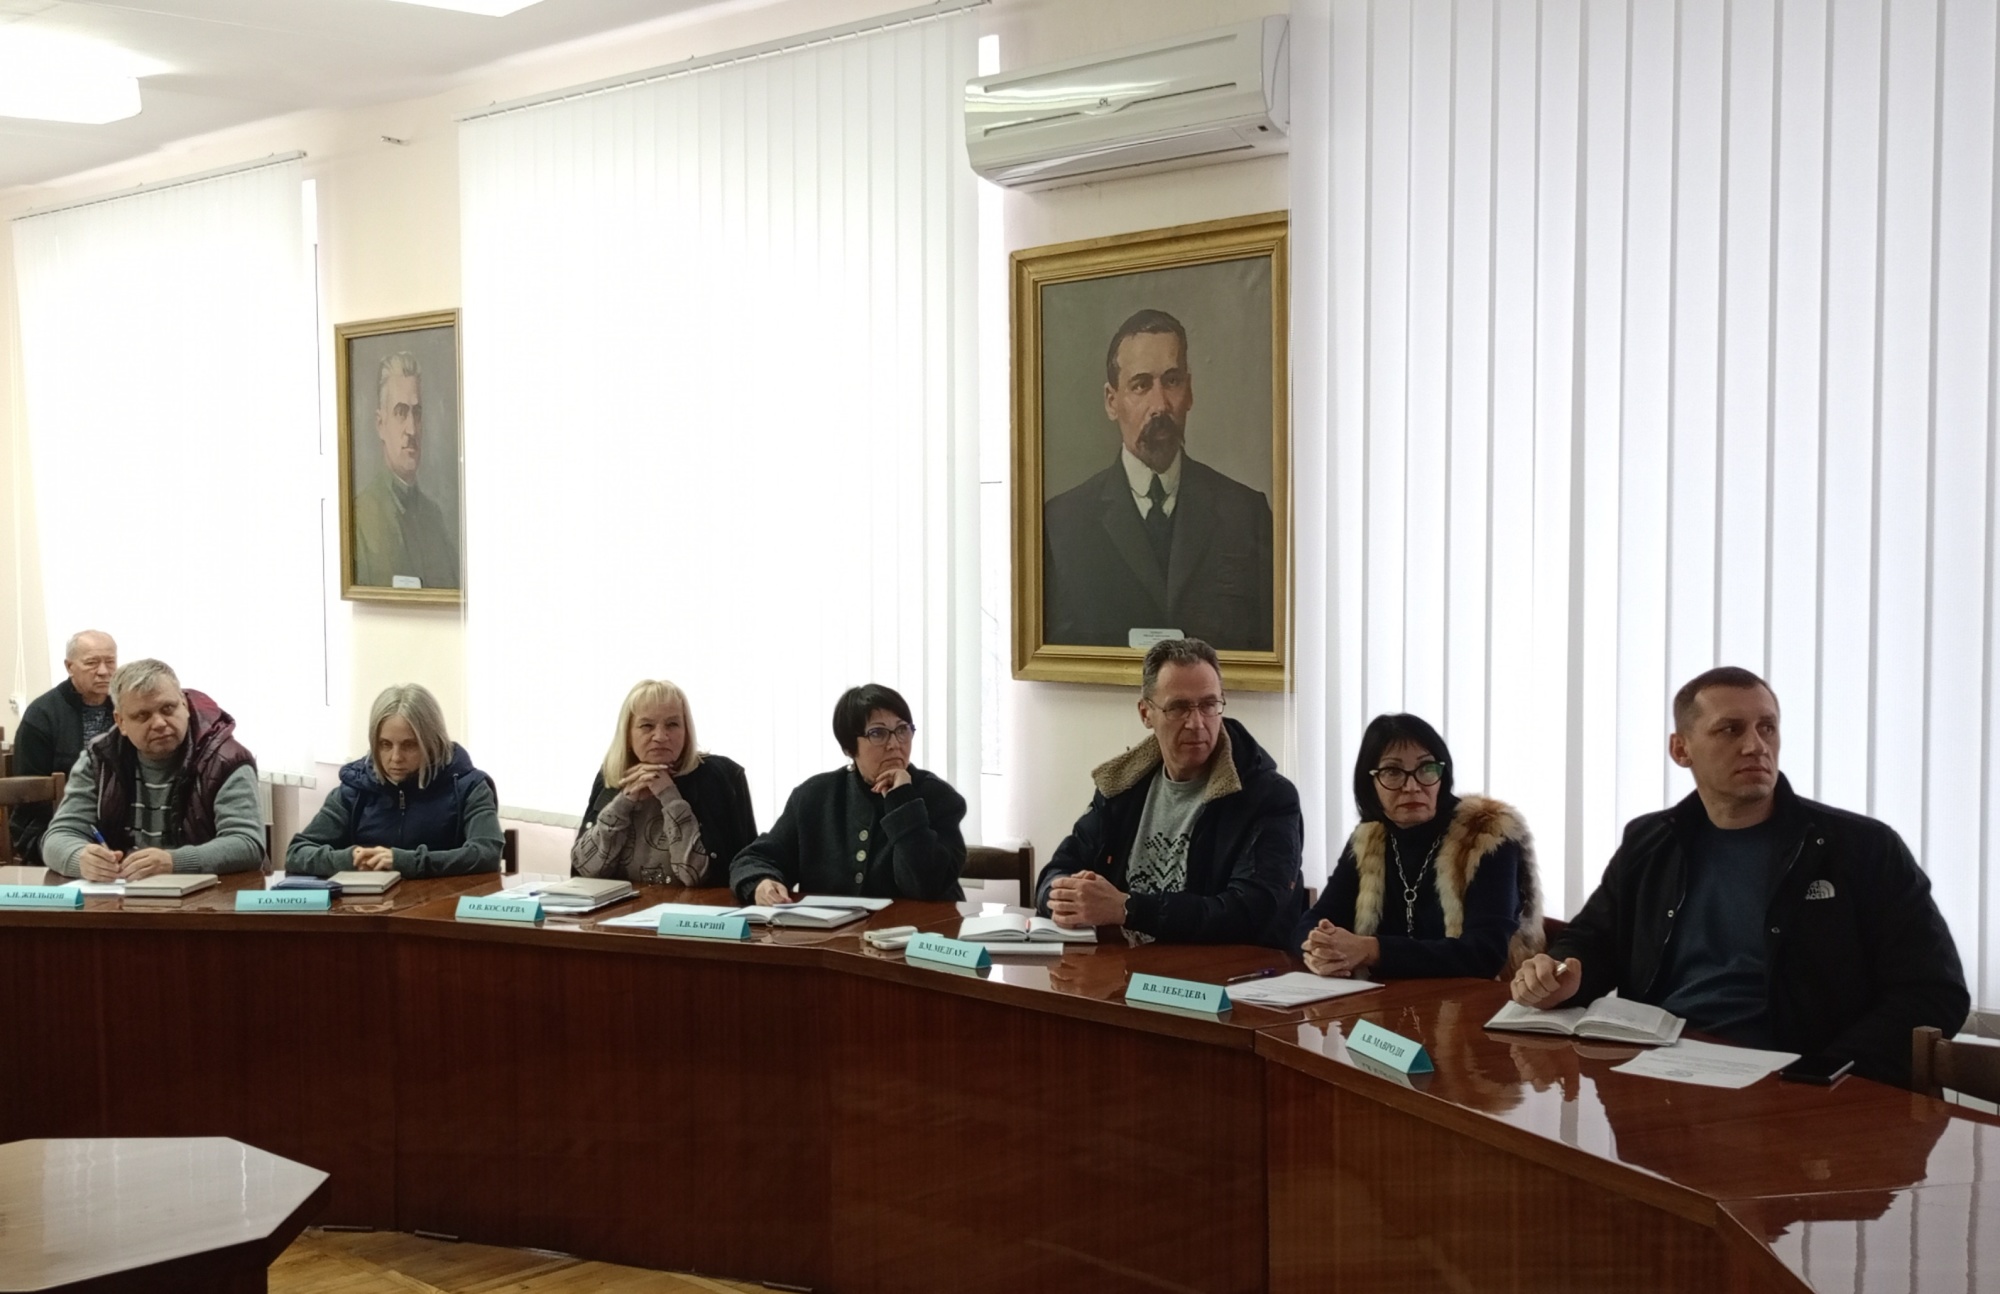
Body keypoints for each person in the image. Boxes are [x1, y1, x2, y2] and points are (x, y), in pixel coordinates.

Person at [1510, 666, 1969, 1087]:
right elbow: (1593, 940)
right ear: (1681, 749)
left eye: (1767, 727)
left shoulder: (1862, 848)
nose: (1755, 745)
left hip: (1798, 1082)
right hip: (1655, 1073)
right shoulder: (1650, 841)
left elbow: (1933, 992)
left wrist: (1831, 1069)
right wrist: (1560, 975)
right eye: (1730, 729)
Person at [1035, 637, 1304, 947]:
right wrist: (1065, 897)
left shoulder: (1269, 798)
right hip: (1122, 968)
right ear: (1145, 713)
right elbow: (1058, 870)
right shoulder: (1121, 786)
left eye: (1209, 705)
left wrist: (1127, 909)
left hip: (1223, 972)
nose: (1196, 723)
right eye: (1178, 707)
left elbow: (1251, 913)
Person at [1042, 308, 1274, 651]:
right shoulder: (1062, 524)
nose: (1160, 404)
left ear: (1189, 392)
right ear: (1111, 401)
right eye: (1140, 385)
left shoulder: (1245, 514)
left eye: (1172, 381)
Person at [1295, 713, 1543, 979]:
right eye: (1393, 772)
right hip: (1385, 999)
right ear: (1370, 783)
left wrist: (1374, 950)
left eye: (1426, 768)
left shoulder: (1486, 835)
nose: (1412, 786)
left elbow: (1485, 953)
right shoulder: (1369, 839)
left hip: (1477, 997)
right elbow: (1315, 919)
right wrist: (1319, 947)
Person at [729, 684, 964, 904]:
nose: (895, 743)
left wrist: (902, 800)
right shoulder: (815, 796)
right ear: (849, 747)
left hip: (920, 931)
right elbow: (755, 858)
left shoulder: (937, 796)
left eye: (902, 730)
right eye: (878, 733)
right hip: (833, 932)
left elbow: (925, 886)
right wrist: (762, 882)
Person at [40, 659, 264, 879]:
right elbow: (58, 836)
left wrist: (174, 862)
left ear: (184, 704)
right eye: (143, 715)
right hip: (123, 895)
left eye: (168, 709)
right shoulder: (99, 759)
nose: (159, 723)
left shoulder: (226, 759)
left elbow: (247, 844)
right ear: (121, 722)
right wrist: (81, 860)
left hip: (211, 896)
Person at [286, 684, 503, 877]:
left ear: (432, 742)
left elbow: (487, 853)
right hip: (365, 906)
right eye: (385, 745)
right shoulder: (354, 788)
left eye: (409, 745)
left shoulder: (470, 786)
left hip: (443, 905)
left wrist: (404, 862)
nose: (396, 757)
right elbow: (297, 853)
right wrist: (350, 859)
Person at [572, 679, 756, 887]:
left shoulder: (718, 776)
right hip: (624, 906)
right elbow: (586, 870)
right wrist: (624, 802)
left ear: (686, 731)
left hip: (692, 907)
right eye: (647, 726)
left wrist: (669, 795)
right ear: (628, 735)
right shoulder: (611, 775)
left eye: (672, 724)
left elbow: (697, 875)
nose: (660, 736)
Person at [8, 629, 117, 864]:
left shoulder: (125, 707)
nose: (103, 671)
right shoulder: (42, 714)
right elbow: (31, 795)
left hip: (113, 824)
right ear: (69, 667)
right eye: (92, 663)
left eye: (110, 662)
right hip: (49, 825)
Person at [353, 351, 457, 590]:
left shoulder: (434, 519)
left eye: (416, 413)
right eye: (401, 413)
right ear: (381, 424)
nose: (411, 429)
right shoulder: (360, 519)